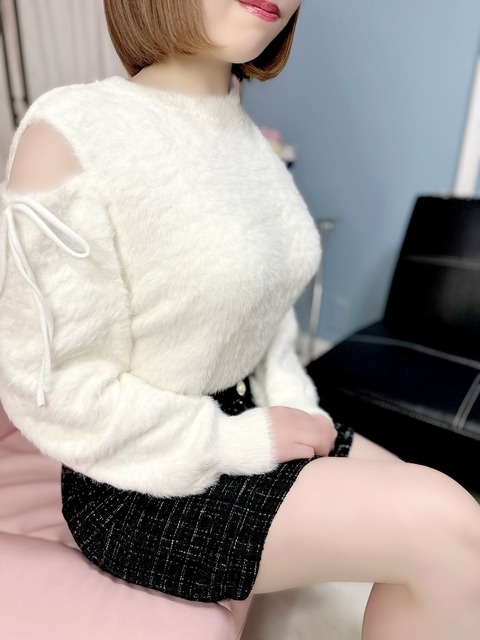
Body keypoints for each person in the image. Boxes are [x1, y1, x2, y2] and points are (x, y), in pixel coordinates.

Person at [1, 1, 480, 637]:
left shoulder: (250, 142)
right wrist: (244, 441)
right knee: (445, 524)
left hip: (247, 415)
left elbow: (265, 321)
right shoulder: (71, 132)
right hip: (139, 480)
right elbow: (58, 391)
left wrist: (296, 411)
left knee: (464, 520)